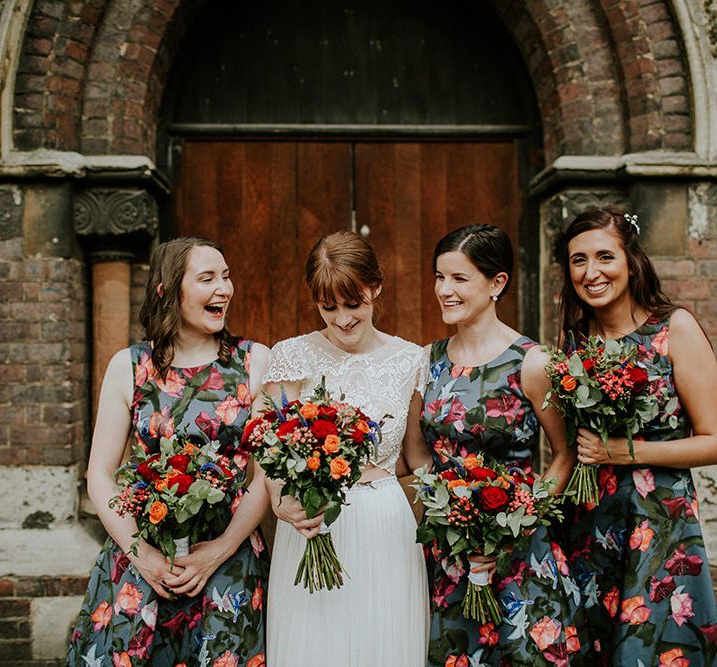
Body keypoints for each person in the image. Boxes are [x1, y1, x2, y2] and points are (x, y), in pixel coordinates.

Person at [66, 238, 269, 665]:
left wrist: (221, 548)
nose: (224, 289)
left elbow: (267, 476)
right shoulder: (129, 367)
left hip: (226, 563)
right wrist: (145, 558)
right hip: (140, 562)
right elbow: (100, 475)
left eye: (227, 276)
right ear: (167, 290)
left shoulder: (255, 362)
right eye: (207, 278)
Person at [420, 224, 588, 666]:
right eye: (440, 277)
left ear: (497, 283)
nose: (444, 290)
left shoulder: (532, 363)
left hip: (519, 552)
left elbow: (563, 456)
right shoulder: (428, 361)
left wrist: (513, 523)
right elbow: (420, 459)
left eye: (459, 278)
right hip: (451, 554)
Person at [262, 231, 430, 667]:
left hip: (386, 526)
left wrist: (461, 507)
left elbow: (415, 454)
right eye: (328, 307)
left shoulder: (410, 360)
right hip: (312, 523)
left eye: (353, 304)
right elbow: (271, 448)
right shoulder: (291, 355)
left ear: (375, 287)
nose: (342, 319)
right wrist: (283, 502)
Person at [558, 207, 717, 665]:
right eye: (578, 260)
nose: (592, 272)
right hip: (590, 526)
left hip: (658, 525)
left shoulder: (673, 330)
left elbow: (712, 438)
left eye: (605, 256)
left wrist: (626, 452)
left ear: (631, 260)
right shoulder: (575, 341)